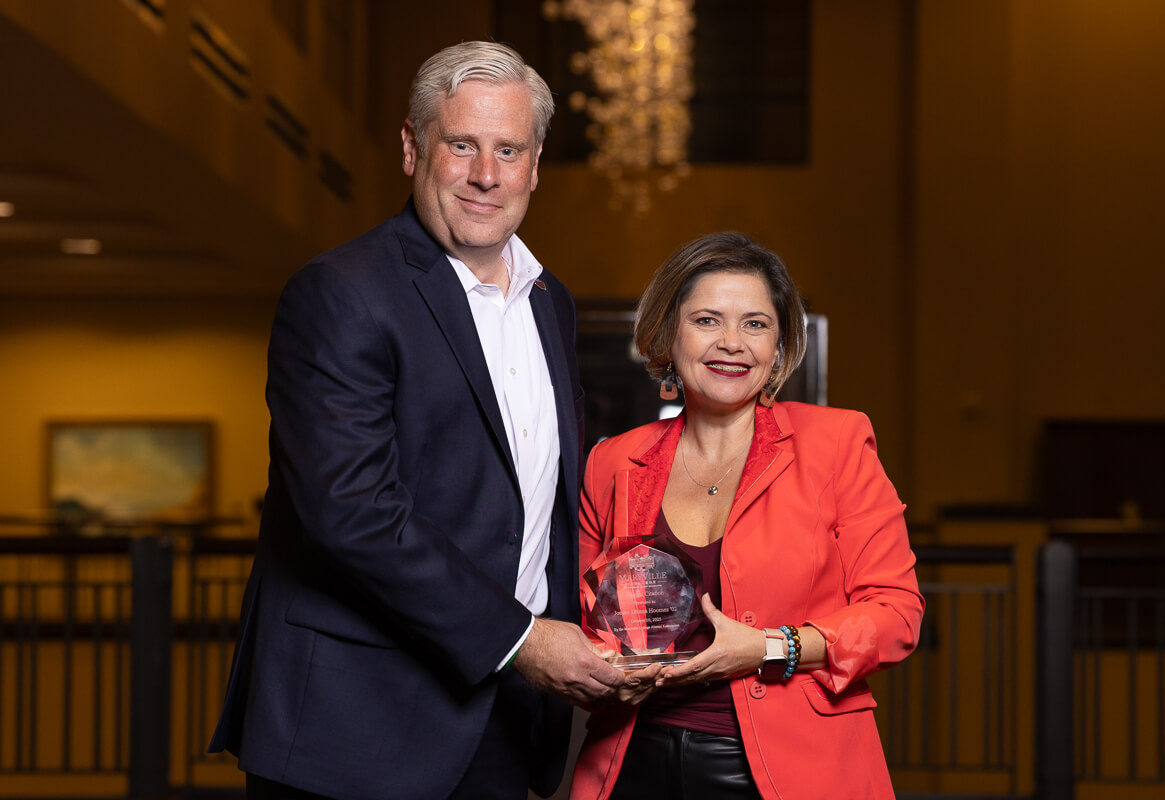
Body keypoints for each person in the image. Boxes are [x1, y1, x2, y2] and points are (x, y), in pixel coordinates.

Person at [208, 41, 626, 800]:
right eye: (461, 144)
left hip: (504, 718)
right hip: (355, 728)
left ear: (535, 163)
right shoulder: (340, 293)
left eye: (509, 149)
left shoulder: (549, 302)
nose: (485, 175)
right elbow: (351, 512)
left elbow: (536, 502)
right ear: (412, 147)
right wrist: (525, 639)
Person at [569, 232, 925, 799]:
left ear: (780, 347)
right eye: (708, 320)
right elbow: (593, 631)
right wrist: (613, 671)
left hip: (797, 770)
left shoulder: (835, 444)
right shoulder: (613, 462)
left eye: (755, 324)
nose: (732, 343)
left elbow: (897, 615)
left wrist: (768, 647)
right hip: (634, 764)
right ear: (667, 334)